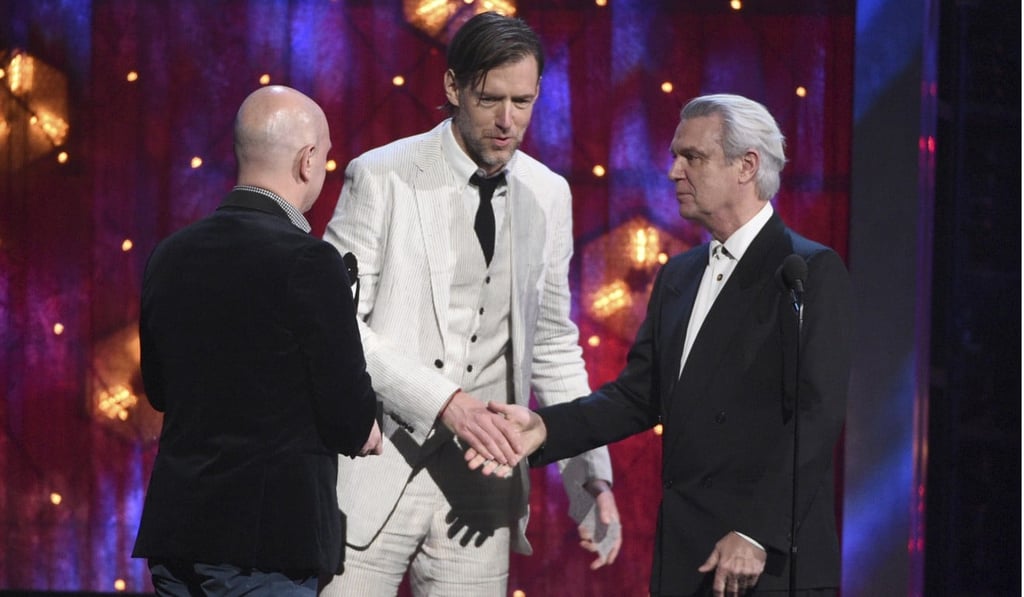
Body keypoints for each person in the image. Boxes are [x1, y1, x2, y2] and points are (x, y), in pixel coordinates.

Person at [477, 93, 852, 596]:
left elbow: (817, 415)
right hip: (687, 557)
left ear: (747, 167)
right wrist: (545, 428)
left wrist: (757, 531)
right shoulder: (680, 274)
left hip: (766, 562)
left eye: (692, 157)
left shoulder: (805, 270)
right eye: (676, 155)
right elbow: (638, 396)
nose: (674, 171)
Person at [320, 11, 621, 597]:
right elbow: (337, 324)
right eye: (490, 100)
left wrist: (590, 476)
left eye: (524, 102)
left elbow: (554, 342)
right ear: (453, 87)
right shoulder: (382, 175)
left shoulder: (550, 194)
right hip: (375, 468)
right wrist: (446, 404)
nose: (508, 122)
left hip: (483, 491)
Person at [132, 85, 382, 595]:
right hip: (265, 547)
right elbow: (348, 415)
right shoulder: (310, 262)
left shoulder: (169, 254)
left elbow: (159, 391)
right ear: (308, 160)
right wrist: (366, 428)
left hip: (175, 537)